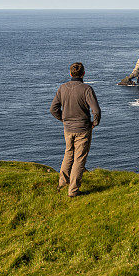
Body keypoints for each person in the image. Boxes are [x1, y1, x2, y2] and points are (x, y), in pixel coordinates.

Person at [49, 62, 101, 197]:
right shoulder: (86, 89)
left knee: (68, 154)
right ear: (83, 73)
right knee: (79, 158)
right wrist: (94, 123)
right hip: (83, 128)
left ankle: (62, 183)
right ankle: (73, 191)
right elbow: (96, 111)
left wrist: (63, 119)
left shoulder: (62, 88)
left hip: (68, 128)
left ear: (70, 73)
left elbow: (53, 109)